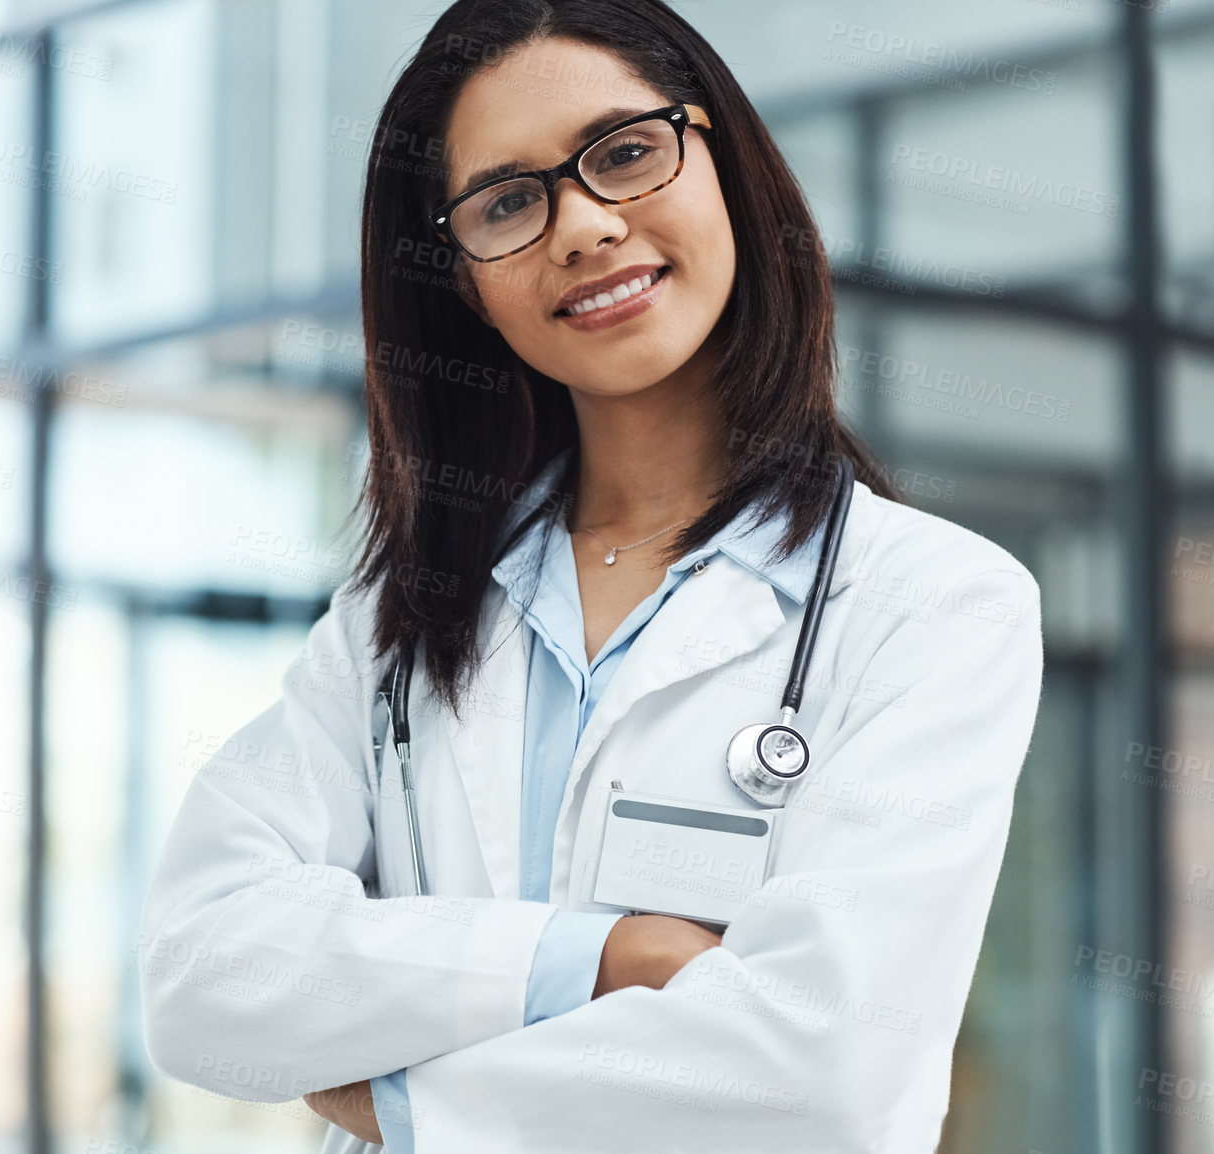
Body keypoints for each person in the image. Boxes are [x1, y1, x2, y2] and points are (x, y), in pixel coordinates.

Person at [138, 1, 1044, 1150]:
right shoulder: (394, 622)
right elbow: (201, 979)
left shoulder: (934, 604)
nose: (582, 227)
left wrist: (404, 1101)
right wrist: (598, 955)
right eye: (508, 201)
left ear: (729, 165)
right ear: (461, 274)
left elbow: (827, 1069)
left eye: (624, 153)